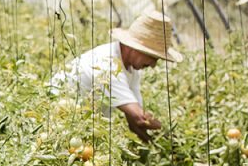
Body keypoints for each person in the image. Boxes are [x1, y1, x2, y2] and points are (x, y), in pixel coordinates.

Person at [49, 10, 182, 142]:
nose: (153, 65)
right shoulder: (108, 65)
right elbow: (140, 118)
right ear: (135, 48)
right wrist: (170, 134)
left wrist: (159, 144)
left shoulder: (132, 69)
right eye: (153, 57)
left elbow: (135, 120)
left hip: (76, 125)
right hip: (53, 117)